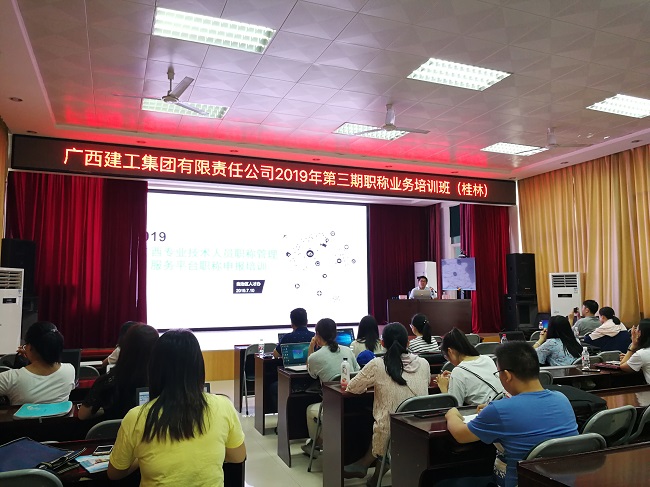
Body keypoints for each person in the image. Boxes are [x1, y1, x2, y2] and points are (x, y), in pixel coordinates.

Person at [108, 329, 246, 486]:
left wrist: (141, 459)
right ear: (199, 367)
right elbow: (238, 456)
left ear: (154, 369)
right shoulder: (223, 405)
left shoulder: (136, 417)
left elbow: (114, 473)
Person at [444, 341, 578, 487]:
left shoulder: (500, 410)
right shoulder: (562, 399)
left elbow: (460, 435)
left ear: (507, 375)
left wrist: (452, 413)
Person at [344, 323, 430, 485]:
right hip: (420, 428)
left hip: (390, 432)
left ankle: (371, 462)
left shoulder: (377, 364)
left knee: (378, 417)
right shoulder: (424, 363)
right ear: (408, 343)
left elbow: (352, 387)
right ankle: (373, 468)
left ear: (382, 343)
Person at [79, 323, 159, 420]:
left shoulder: (107, 381)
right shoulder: (161, 381)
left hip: (114, 429)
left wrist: (103, 411)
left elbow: (82, 415)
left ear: (125, 346)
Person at [303, 318, 359, 456]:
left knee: (310, 409)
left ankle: (317, 444)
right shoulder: (347, 351)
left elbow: (311, 372)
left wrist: (311, 348)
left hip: (332, 405)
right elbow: (358, 372)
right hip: (355, 402)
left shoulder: (315, 357)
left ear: (317, 335)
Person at [0, 321, 75, 405]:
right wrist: (32, 356)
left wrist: (31, 356)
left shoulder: (10, 378)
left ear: (30, 347)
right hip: (59, 414)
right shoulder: (70, 370)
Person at [437, 328, 503, 406]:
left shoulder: (458, 372)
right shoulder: (487, 359)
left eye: (446, 356)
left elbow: (454, 408)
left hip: (485, 410)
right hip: (503, 403)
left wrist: (443, 388)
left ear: (450, 351)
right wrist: (455, 379)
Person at [619, 319, 650, 384]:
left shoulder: (642, 354)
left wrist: (633, 346)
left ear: (640, 333)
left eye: (636, 330)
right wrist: (632, 358)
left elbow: (622, 366)